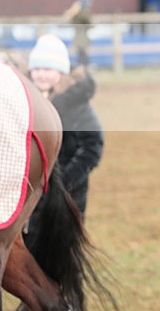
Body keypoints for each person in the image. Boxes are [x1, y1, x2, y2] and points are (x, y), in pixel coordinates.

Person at [27, 33, 103, 218]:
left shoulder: (76, 104)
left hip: (67, 195)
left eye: (48, 69)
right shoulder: (26, 100)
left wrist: (64, 183)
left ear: (61, 72)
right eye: (36, 68)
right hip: (29, 194)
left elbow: (92, 146)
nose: (41, 74)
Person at [64, 0, 94, 67]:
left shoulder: (82, 8)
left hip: (82, 34)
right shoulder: (79, 8)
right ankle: (83, 66)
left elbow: (88, 23)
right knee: (81, 52)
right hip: (80, 34)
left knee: (82, 51)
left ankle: (84, 66)